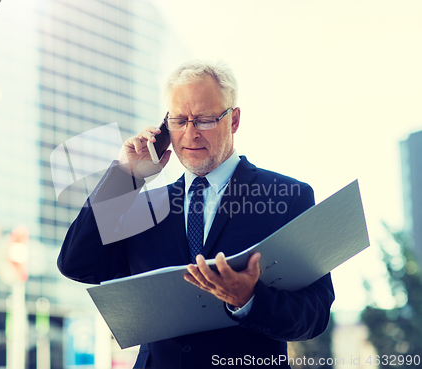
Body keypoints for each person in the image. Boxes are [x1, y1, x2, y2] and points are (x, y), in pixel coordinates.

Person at [58, 60, 335, 369]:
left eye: (204, 120)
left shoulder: (288, 197)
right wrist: (124, 178)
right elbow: (76, 263)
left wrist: (249, 299)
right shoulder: (141, 206)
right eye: (178, 120)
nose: (190, 134)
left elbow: (316, 312)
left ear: (234, 120)